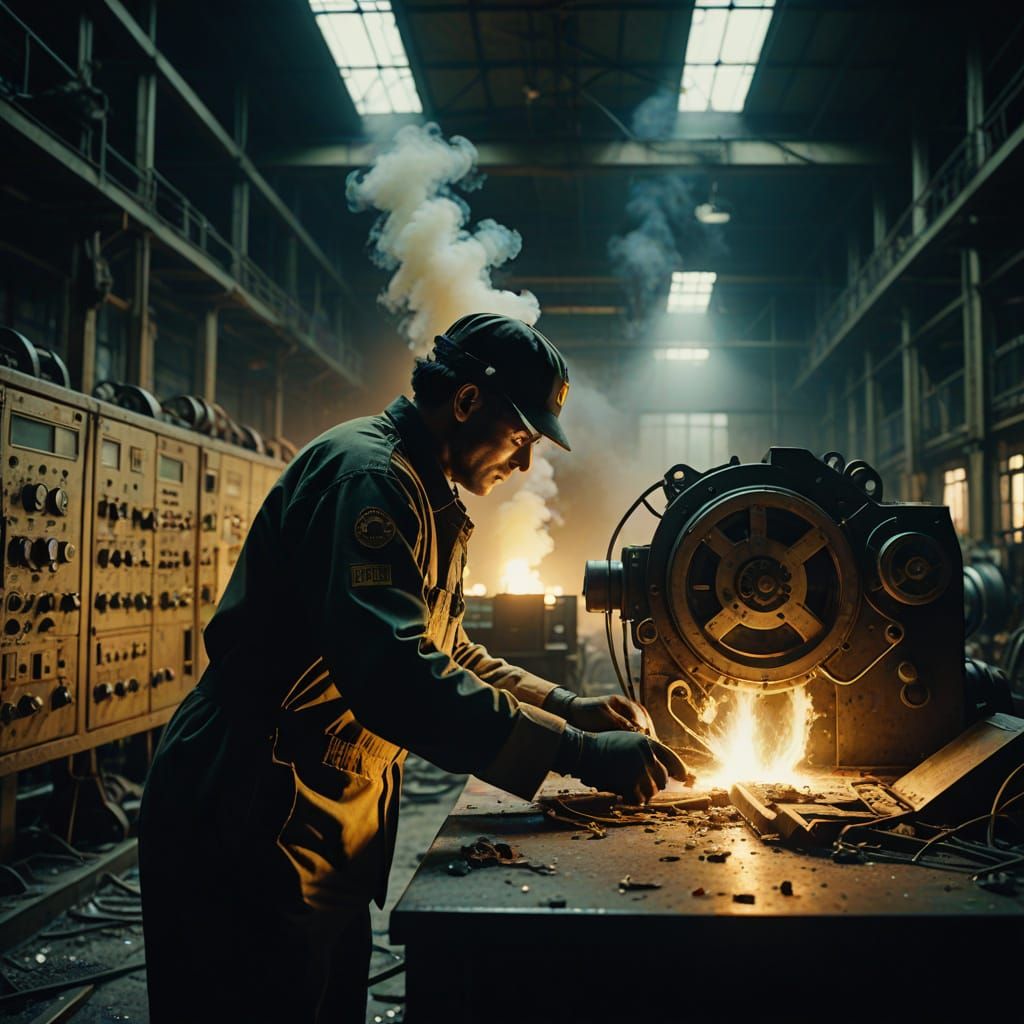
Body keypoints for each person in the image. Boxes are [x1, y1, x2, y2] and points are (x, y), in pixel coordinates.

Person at [138, 313, 690, 1023]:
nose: (524, 463)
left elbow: (445, 648)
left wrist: (566, 705)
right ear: (465, 403)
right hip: (251, 799)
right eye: (521, 437)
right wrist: (578, 754)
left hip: (323, 809)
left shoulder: (424, 492)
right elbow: (396, 677)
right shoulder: (370, 481)